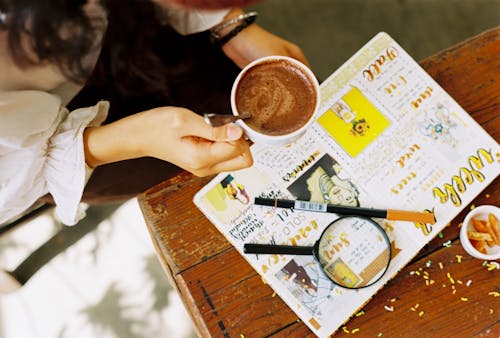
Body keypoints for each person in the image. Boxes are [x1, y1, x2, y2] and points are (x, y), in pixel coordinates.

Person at [0, 0, 308, 226]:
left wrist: (228, 22)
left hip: (133, 26)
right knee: (204, 182)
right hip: (53, 145)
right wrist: (136, 139)